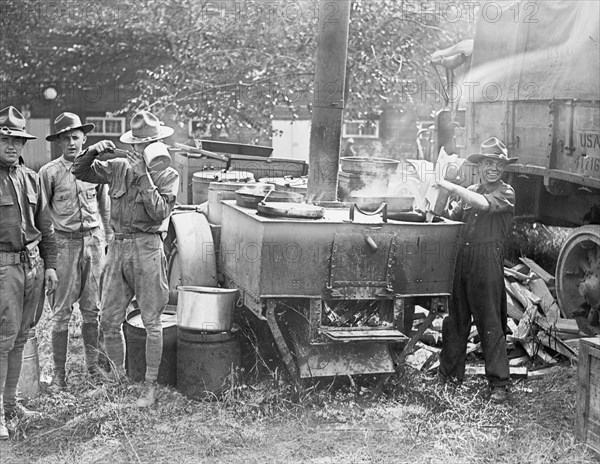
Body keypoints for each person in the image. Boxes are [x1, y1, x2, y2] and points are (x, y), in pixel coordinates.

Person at [72, 111, 178, 408]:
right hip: (117, 248)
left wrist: (144, 176)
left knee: (152, 321)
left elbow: (159, 212)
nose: (143, 149)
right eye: (139, 144)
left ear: (158, 142)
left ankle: (150, 387)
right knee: (109, 320)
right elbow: (79, 171)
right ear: (132, 145)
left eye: (150, 142)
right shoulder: (118, 167)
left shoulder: (168, 174)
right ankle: (118, 381)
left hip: (147, 249)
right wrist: (92, 149)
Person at [435, 137, 517, 403]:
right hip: (463, 259)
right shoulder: (471, 189)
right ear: (480, 166)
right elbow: (447, 218)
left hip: (487, 262)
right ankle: (449, 376)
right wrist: (441, 191)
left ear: (503, 169)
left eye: (498, 164)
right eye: (488, 163)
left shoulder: (506, 192)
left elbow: (483, 203)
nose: (493, 168)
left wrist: (451, 186)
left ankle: (499, 384)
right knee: (456, 319)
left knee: (491, 321)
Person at [39, 113, 112, 391]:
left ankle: (93, 368)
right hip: (64, 245)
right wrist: (48, 255)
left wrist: (108, 238)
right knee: (61, 313)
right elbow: (43, 216)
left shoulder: (96, 169)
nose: (71, 142)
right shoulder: (50, 173)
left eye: (75, 137)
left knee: (92, 309)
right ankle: (59, 375)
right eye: (65, 138)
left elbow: (104, 208)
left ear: (85, 139)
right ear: (58, 142)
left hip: (93, 243)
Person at [0, 106, 58, 439]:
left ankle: (11, 403)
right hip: (3, 269)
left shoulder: (31, 178)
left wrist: (50, 266)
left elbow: (45, 227)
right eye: (6, 139)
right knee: (2, 341)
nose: (13, 146)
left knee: (21, 337)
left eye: (19, 141)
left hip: (32, 266)